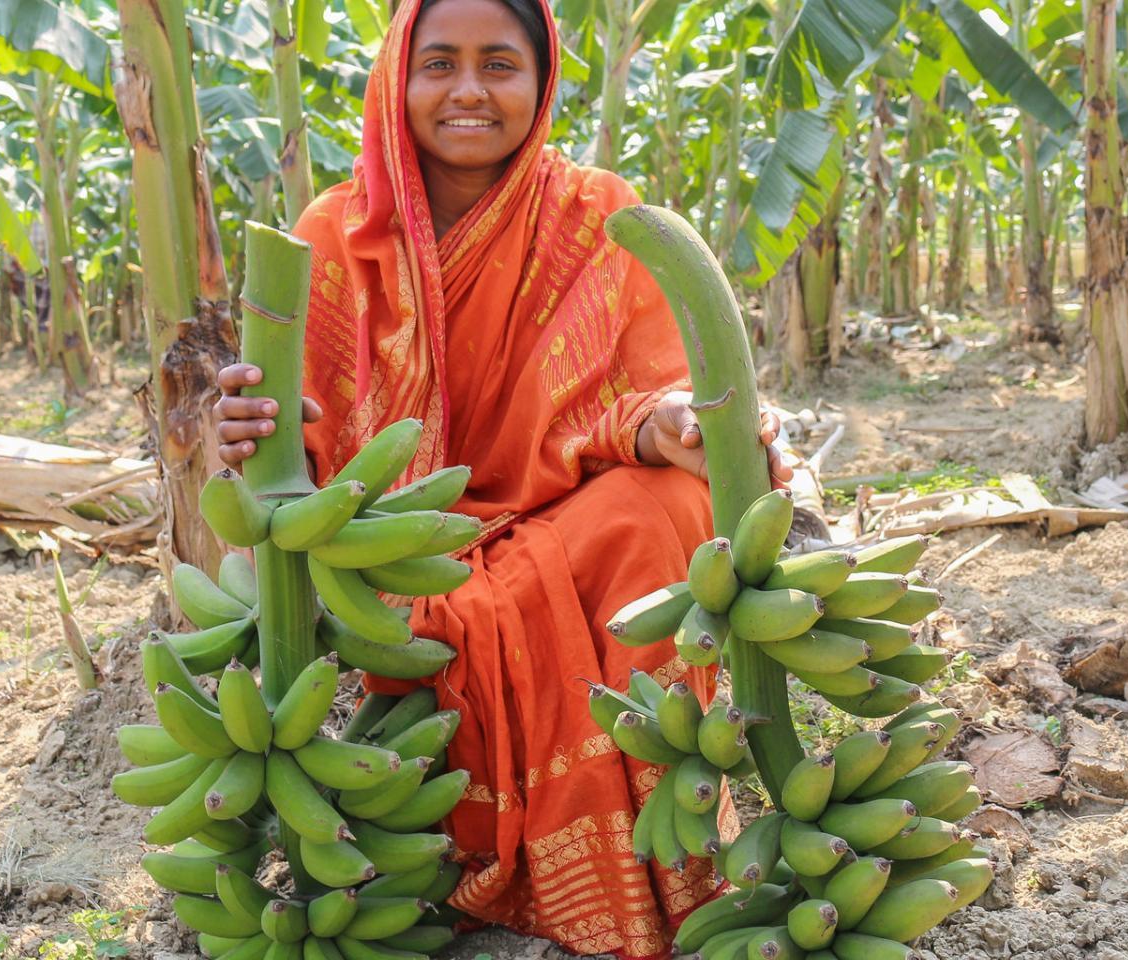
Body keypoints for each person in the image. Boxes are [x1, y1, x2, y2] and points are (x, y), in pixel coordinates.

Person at [212, 0, 788, 955]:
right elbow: (293, 455)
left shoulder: (598, 214)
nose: (469, 91)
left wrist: (680, 422)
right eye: (438, 64)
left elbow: (640, 393)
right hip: (399, 553)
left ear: (543, 77)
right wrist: (242, 428)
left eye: (499, 65)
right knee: (455, 584)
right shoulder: (332, 234)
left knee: (667, 510)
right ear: (397, 76)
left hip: (566, 518)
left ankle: (669, 850)